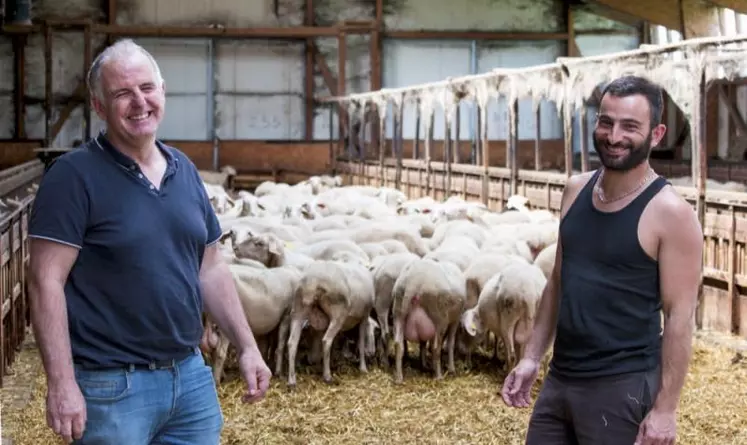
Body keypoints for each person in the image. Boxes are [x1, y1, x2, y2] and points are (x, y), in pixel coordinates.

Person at [27, 38, 271, 445]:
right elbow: (44, 280)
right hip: (111, 387)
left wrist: (247, 346)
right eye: (122, 93)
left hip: (191, 376)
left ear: (163, 92)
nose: (139, 102)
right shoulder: (73, 177)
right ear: (100, 106)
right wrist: (61, 382)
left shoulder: (185, 170)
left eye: (146, 88)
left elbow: (210, 267)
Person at [501, 75, 703, 445]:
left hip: (621, 387)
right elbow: (558, 282)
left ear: (656, 135)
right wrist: (532, 356)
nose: (613, 136)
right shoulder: (575, 190)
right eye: (606, 122)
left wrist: (665, 410)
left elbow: (679, 317)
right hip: (560, 378)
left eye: (630, 126)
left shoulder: (670, 213)